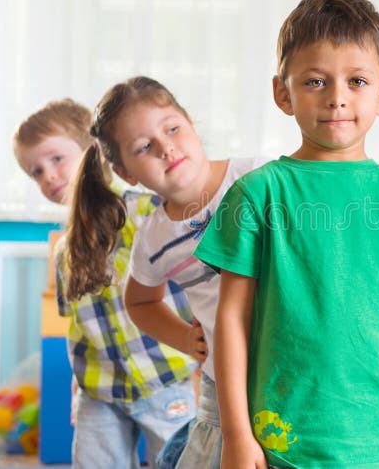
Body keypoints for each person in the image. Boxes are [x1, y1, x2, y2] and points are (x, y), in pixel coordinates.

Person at [195, 0, 379, 469]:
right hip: (281, 440)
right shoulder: (258, 194)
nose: (337, 98)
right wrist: (237, 435)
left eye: (357, 81)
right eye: (315, 81)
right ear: (283, 93)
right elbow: (231, 321)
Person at [68, 75, 264, 469]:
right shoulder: (154, 237)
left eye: (172, 128)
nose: (166, 147)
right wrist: (184, 338)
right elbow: (139, 301)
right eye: (144, 146)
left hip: (291, 363)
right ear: (126, 173)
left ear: (190, 123)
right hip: (220, 383)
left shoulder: (258, 177)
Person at [13, 98, 196, 469]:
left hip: (167, 378)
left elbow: (194, 289)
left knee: (187, 462)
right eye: (35, 171)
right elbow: (77, 324)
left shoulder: (149, 213)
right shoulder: (65, 248)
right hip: (100, 391)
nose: (47, 176)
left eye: (56, 159)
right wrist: (78, 385)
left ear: (94, 151)